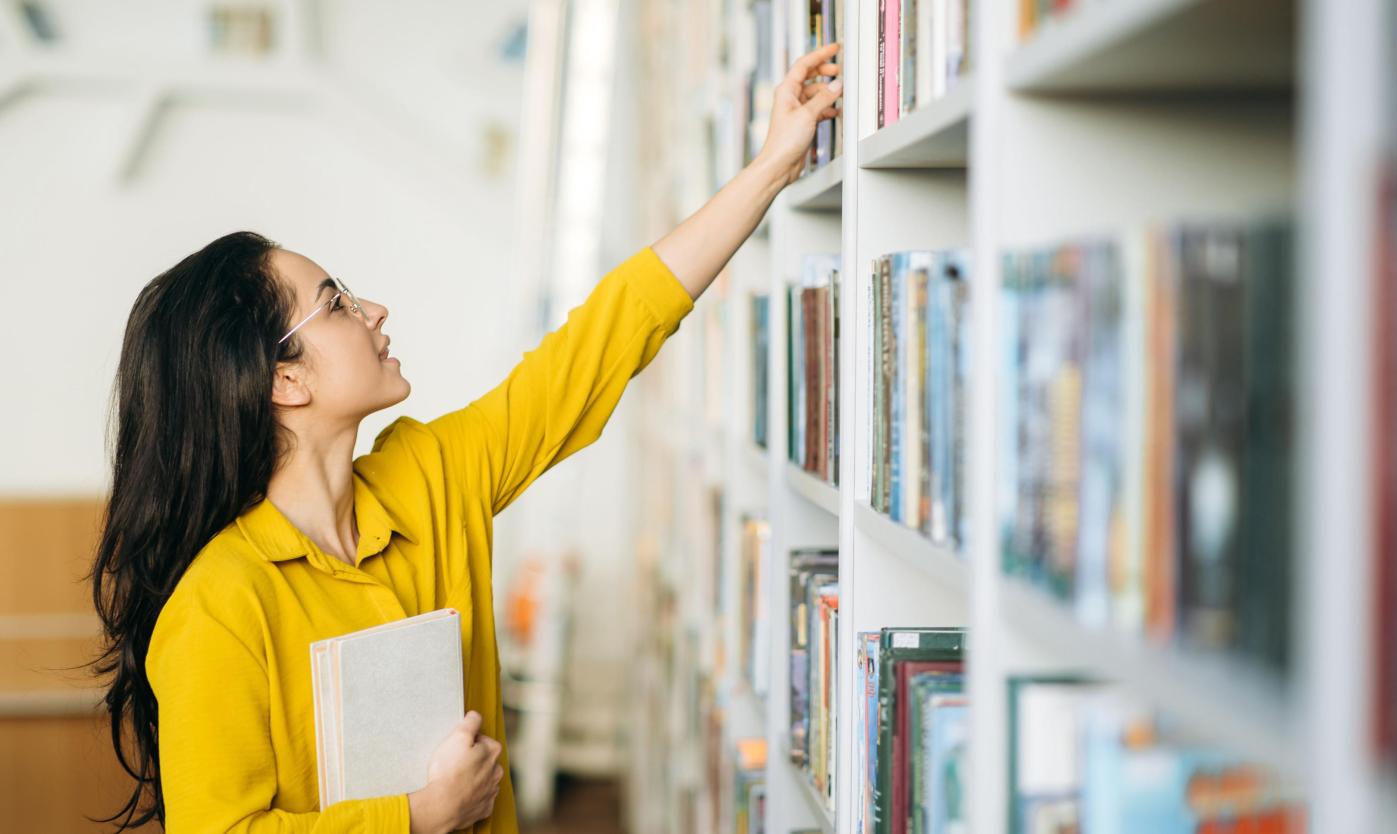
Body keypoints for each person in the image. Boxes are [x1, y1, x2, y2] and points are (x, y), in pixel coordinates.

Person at [87, 43, 842, 834]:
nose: (374, 309)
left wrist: (770, 168)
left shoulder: (429, 475)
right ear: (285, 381)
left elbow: (597, 346)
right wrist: (415, 817)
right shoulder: (218, 606)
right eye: (336, 303)